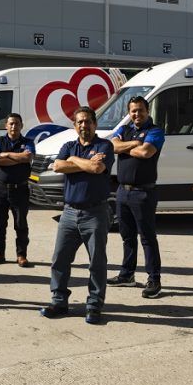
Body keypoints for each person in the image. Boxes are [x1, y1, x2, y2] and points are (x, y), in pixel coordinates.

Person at [39, 106, 114, 325]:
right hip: (69, 213)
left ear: (94, 124)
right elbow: (59, 166)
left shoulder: (105, 145)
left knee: (97, 262)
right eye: (80, 122)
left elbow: (97, 168)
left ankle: (94, 305)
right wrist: (83, 162)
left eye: (88, 121)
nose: (84, 125)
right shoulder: (68, 146)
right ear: (75, 125)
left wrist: (75, 162)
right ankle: (59, 301)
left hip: (95, 213)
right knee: (60, 259)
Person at [108, 96, 165, 298]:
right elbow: (112, 146)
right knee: (127, 237)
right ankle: (127, 275)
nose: (137, 114)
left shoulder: (155, 131)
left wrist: (127, 146)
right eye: (133, 111)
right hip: (122, 191)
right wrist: (135, 143)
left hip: (143, 192)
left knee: (147, 238)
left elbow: (146, 153)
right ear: (129, 113)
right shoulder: (125, 129)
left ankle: (154, 279)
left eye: (140, 110)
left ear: (147, 111)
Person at [0, 113, 35, 267]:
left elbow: (27, 158)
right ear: (6, 126)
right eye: (11, 124)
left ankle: (21, 255)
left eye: (17, 124)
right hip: (0, 188)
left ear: (21, 126)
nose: (14, 126)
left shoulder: (28, 142)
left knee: (21, 224)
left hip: (20, 189)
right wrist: (16, 157)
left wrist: (6, 155)